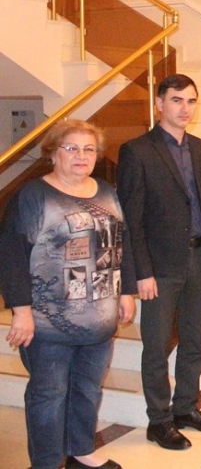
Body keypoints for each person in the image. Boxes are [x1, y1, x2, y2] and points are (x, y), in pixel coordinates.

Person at [0, 120, 135, 469]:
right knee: (49, 395)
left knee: (88, 388)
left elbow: (121, 242)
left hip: (99, 318)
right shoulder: (34, 195)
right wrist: (21, 310)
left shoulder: (106, 190)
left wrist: (126, 291)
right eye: (71, 148)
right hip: (48, 322)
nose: (81, 156)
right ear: (53, 153)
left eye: (89, 149)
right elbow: (12, 255)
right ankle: (46, 462)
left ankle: (80, 450)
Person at [117, 74, 201, 450]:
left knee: (195, 340)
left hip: (200, 260)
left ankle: (185, 408)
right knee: (157, 345)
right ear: (159, 104)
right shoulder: (137, 151)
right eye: (177, 100)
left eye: (191, 101)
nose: (185, 108)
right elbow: (132, 220)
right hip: (160, 267)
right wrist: (141, 272)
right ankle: (159, 420)